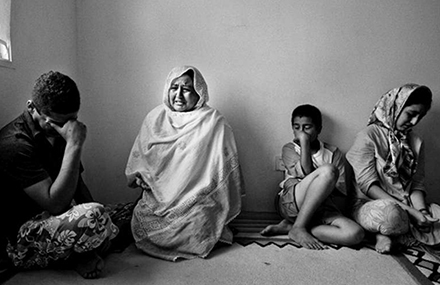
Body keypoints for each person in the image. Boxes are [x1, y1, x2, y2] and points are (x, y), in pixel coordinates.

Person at [0, 71, 119, 279]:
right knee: (93, 216)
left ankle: (85, 248)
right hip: (22, 238)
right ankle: (79, 255)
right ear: (31, 108)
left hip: (57, 219)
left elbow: (79, 188)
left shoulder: (60, 130)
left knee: (122, 212)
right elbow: (55, 204)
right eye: (55, 122)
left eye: (72, 120)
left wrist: (103, 221)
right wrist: (75, 144)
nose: (67, 128)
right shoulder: (14, 144)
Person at [125, 65, 244, 261]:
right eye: (174, 87)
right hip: (158, 199)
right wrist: (141, 178)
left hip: (198, 197)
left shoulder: (213, 121)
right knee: (141, 222)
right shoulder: (155, 118)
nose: (179, 94)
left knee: (198, 224)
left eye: (187, 89)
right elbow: (140, 161)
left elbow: (222, 170)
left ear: (199, 92)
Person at [346, 83, 440, 254]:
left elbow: (417, 184)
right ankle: (382, 234)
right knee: (391, 215)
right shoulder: (368, 136)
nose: (414, 122)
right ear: (395, 108)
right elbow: (368, 186)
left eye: (420, 116)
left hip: (408, 204)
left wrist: (422, 211)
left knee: (436, 216)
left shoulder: (416, 142)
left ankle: (388, 234)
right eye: (411, 115)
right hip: (370, 204)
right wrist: (411, 212)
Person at [261, 104, 364, 250]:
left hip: (322, 208)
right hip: (291, 203)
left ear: (319, 129)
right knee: (328, 171)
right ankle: (298, 227)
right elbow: (305, 173)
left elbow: (340, 194)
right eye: (296, 127)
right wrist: (304, 142)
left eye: (307, 127)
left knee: (356, 234)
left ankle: (294, 227)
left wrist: (323, 192)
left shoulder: (333, 152)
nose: (301, 132)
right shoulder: (289, 149)